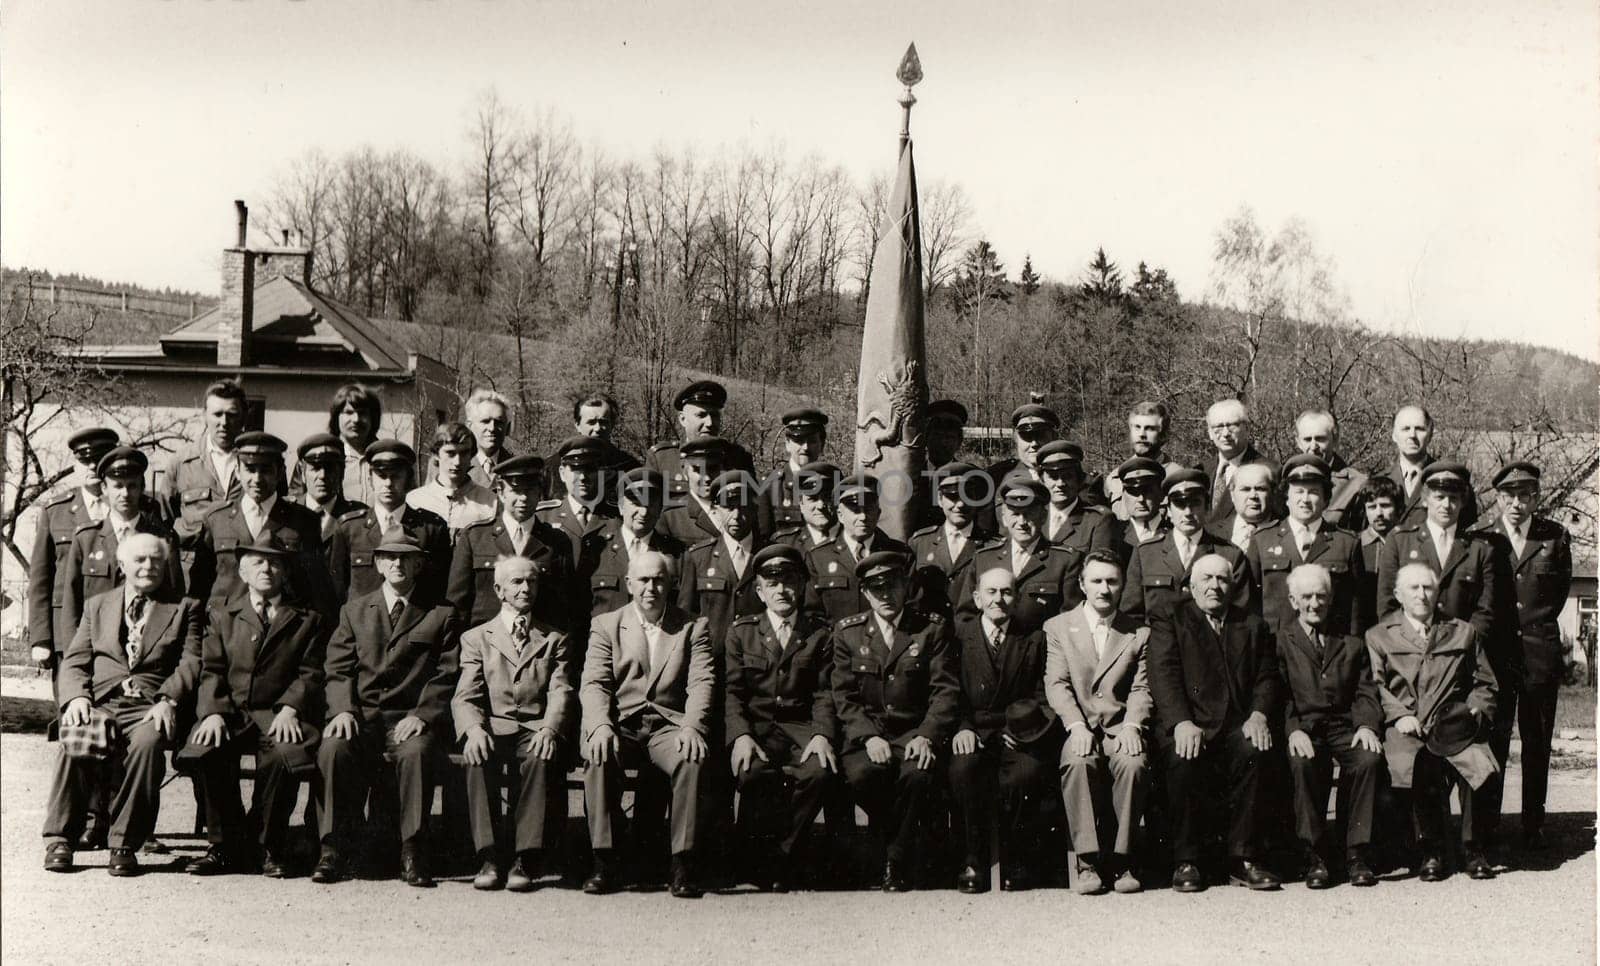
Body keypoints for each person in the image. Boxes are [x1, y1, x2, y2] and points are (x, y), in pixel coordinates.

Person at [42, 533, 203, 876]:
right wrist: (77, 697)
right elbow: (74, 661)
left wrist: (168, 699)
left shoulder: (184, 608)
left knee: (147, 744)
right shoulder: (98, 605)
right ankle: (60, 840)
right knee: (76, 738)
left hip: (149, 705)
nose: (148, 567)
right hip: (101, 700)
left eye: (156, 561)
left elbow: (191, 662)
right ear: (123, 565)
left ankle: (124, 843)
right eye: (141, 560)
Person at [315, 528, 460, 887]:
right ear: (378, 563)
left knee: (417, 753)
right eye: (390, 557)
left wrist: (422, 716)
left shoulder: (440, 614)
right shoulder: (354, 610)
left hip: (408, 719)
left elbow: (446, 674)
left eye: (407, 557)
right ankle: (332, 849)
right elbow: (337, 668)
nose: (398, 563)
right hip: (361, 717)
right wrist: (343, 710)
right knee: (333, 748)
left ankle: (413, 850)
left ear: (420, 564)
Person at [181, 532, 325, 878]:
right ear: (242, 572)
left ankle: (268, 845)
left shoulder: (307, 619)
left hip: (277, 713)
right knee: (207, 750)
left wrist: (291, 707)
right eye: (258, 562)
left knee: (282, 756)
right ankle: (224, 845)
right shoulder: (222, 615)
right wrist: (213, 712)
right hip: (231, 712)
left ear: (286, 572)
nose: (267, 569)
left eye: (275, 562)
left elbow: (311, 672)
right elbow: (211, 669)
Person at [580, 551, 715, 899]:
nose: (650, 588)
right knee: (597, 755)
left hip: (668, 726)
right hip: (621, 724)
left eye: (658, 579)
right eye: (643, 580)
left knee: (691, 758)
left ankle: (682, 863)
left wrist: (692, 728)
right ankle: (604, 860)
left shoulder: (692, 626)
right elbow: (595, 683)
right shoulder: (606, 625)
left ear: (670, 584)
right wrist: (599, 726)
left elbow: (702, 683)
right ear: (629, 584)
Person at [1147, 553, 1282, 892]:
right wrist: (1180, 722)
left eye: (1222, 579)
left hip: (1237, 724)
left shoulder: (1251, 624)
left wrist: (1258, 714)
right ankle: (1187, 860)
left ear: (1233, 584)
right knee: (1182, 757)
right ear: (1191, 585)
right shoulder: (1170, 617)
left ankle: (1244, 858)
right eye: (1206, 579)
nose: (1214, 586)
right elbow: (1163, 673)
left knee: (1257, 748)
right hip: (1190, 721)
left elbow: (1267, 676)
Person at [831, 551, 959, 892]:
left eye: (892, 585)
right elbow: (844, 697)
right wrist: (868, 737)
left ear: (906, 586)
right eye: (877, 588)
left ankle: (893, 860)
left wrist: (927, 736)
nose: (886, 595)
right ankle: (898, 850)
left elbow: (944, 692)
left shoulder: (930, 629)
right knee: (863, 776)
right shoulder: (848, 634)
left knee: (917, 776)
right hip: (868, 736)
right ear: (866, 592)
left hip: (912, 734)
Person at [1366, 563, 1499, 881]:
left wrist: (1474, 710)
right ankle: (1431, 851)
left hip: (1451, 724)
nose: (1421, 595)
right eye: (1413, 588)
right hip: (1406, 726)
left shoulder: (1463, 631)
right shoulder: (1379, 635)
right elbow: (1375, 685)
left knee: (1479, 763)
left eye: (1427, 587)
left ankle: (1474, 849)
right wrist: (1399, 716)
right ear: (1398, 594)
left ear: (1437, 592)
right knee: (1410, 766)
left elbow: (1485, 683)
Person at [452, 556, 576, 892]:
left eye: (532, 582)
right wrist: (474, 729)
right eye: (517, 582)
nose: (525, 589)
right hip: (494, 726)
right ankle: (490, 856)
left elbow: (560, 689)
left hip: (534, 727)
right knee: (476, 756)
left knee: (539, 757)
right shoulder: (477, 638)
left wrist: (550, 728)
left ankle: (526, 856)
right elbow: (466, 694)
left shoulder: (553, 638)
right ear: (499, 589)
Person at [723, 544, 838, 891]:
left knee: (819, 772)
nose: (781, 590)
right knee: (752, 772)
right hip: (757, 728)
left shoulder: (819, 632)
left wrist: (821, 735)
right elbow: (732, 692)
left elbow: (824, 692)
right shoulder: (742, 632)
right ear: (759, 590)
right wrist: (741, 736)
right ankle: (756, 858)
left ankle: (783, 857)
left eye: (788, 581)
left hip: (800, 728)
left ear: (801, 585)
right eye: (771, 583)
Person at [1471, 461, 1572, 848]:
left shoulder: (1554, 538)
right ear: (1498, 498)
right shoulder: (1481, 537)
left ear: (1535, 498)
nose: (1516, 503)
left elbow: (1557, 595)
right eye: (1508, 496)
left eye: (1524, 495)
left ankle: (1533, 824)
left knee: (1536, 740)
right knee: (1494, 738)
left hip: (1537, 655)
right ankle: (1489, 825)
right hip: (1497, 656)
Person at [1043, 550, 1151, 895]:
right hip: (1082, 726)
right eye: (1097, 581)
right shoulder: (1059, 627)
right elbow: (1056, 683)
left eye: (1112, 581)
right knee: (1077, 763)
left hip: (1121, 725)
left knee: (1133, 764)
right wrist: (1075, 726)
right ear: (1082, 585)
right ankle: (1087, 861)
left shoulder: (1138, 633)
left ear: (1122, 586)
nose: (1104, 589)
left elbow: (1141, 686)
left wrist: (1134, 725)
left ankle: (1123, 861)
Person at [947, 567, 1054, 893]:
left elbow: (1040, 693)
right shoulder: (957, 637)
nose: (999, 600)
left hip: (1014, 734)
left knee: (1027, 774)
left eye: (1007, 592)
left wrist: (1021, 729)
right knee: (964, 771)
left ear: (1017, 598)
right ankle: (972, 860)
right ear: (977, 598)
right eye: (991, 592)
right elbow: (947, 690)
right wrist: (962, 727)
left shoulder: (1033, 638)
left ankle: (1015, 858)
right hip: (973, 731)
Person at [1276, 564, 1383, 889]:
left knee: (1368, 759)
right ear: (1293, 601)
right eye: (1306, 597)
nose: (1313, 604)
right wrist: (1293, 729)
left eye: (1320, 596)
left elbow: (1366, 690)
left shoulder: (1350, 642)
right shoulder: (1280, 641)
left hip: (1343, 726)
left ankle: (1355, 853)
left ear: (1330, 598)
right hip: (1304, 726)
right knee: (1303, 763)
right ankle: (1315, 855)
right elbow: (1278, 693)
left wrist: (1366, 726)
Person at [188, 432, 332, 622]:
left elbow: (318, 589)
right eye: (250, 469)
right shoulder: (217, 519)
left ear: (280, 472)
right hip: (225, 631)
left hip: (281, 631)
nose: (257, 478)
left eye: (265, 470)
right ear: (237, 471)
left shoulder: (303, 521)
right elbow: (199, 589)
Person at [59, 447, 185, 645]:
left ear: (142, 487)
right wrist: (72, 656)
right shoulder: (86, 539)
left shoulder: (164, 539)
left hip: (148, 652)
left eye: (132, 486)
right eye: (117, 486)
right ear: (104, 489)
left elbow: (175, 601)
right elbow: (71, 604)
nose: (125, 493)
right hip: (97, 650)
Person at [29, 427, 125, 674]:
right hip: (68, 631)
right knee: (70, 707)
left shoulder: (136, 506)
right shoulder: (55, 511)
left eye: (99, 458)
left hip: (122, 629)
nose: (92, 466)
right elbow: (40, 578)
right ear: (76, 464)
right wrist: (41, 638)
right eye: (85, 460)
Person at [447, 455, 572, 635]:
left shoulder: (556, 541)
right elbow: (457, 606)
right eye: (515, 490)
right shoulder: (475, 537)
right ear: (501, 492)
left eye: (530, 490)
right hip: (486, 649)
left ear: (539, 493)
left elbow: (566, 606)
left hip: (540, 650)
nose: (523, 498)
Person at [1247, 455, 1368, 636]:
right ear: (1286, 497)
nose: (1305, 499)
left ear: (1326, 499)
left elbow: (1357, 610)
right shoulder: (1262, 540)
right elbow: (1249, 606)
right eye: (1298, 491)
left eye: (1313, 492)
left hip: (1330, 648)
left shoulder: (1346, 543)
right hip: (1275, 648)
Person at [954, 476, 1083, 634]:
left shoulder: (1065, 560)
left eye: (1029, 514)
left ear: (1043, 516)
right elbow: (966, 616)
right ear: (1004, 517)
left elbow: (1071, 620)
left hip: (1042, 654)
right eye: (1015, 514)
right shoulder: (984, 558)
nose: (1022, 522)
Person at [327, 440, 451, 605]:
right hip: (363, 626)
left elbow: (440, 587)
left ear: (408, 479)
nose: (388, 483)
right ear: (370, 479)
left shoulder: (431, 529)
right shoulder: (350, 528)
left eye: (396, 476)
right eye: (381, 476)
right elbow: (337, 590)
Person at [1121, 468, 1250, 620]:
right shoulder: (1146, 553)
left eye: (1195, 503)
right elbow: (1131, 615)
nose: (1188, 512)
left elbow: (1241, 618)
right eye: (1180, 504)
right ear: (1168, 510)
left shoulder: (1229, 554)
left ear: (1206, 508)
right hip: (1159, 642)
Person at [160, 379, 247, 577]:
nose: (224, 423)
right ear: (204, 416)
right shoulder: (181, 462)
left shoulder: (257, 464)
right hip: (191, 573)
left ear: (243, 418)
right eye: (217, 414)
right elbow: (164, 523)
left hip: (241, 575)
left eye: (232, 415)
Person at [804, 473, 912, 624]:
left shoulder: (900, 554)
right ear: (840, 515)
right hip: (837, 645)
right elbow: (813, 615)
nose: (862, 516)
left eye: (868, 509)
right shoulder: (818, 557)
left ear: (878, 513)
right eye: (855, 510)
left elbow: (912, 607)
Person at [678, 469, 766, 647]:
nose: (736, 515)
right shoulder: (698, 557)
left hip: (759, 662)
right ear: (715, 509)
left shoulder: (769, 555)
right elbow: (685, 617)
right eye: (728, 506)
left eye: (743, 506)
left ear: (755, 509)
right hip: (713, 662)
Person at [586, 468, 687, 619]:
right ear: (620, 506)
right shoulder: (596, 550)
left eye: (651, 504)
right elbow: (580, 607)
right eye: (636, 503)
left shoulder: (677, 554)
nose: (644, 512)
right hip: (609, 641)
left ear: (660, 509)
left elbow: (685, 608)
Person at [643, 380, 757, 501]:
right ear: (682, 419)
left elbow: (752, 509)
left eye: (714, 415)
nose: (710, 423)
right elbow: (650, 511)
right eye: (701, 415)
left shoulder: (738, 459)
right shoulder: (662, 459)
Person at [908, 461, 994, 619]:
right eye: (952, 496)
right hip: (930, 637)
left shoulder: (993, 546)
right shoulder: (920, 543)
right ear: (940, 499)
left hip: (972, 636)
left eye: (968, 495)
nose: (960, 504)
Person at [1371, 405, 1479, 531]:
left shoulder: (1452, 481)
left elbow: (1466, 530)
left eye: (1419, 429)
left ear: (1430, 435)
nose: (1412, 435)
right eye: (1405, 429)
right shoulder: (1378, 481)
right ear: (1394, 435)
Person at [290, 383, 383, 507]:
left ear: (373, 418)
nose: (356, 419)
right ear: (336, 417)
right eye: (349, 412)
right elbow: (296, 504)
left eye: (363, 413)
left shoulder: (385, 457)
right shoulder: (316, 457)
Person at [538, 435, 619, 578]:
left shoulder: (618, 518)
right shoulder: (543, 518)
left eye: (589, 469)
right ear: (562, 473)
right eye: (576, 469)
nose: (582, 477)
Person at [406, 422, 497, 536]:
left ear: (471, 456)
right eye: (450, 453)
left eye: (464, 453)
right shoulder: (415, 501)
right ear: (436, 454)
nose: (457, 462)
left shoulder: (491, 503)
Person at [1202, 398, 1275, 526]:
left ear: (1246, 428)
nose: (1225, 433)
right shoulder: (1201, 471)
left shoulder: (1269, 470)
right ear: (1210, 433)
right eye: (1218, 427)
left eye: (1232, 425)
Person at [757, 407, 828, 536]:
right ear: (787, 444)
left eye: (812, 441)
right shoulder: (768, 486)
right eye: (799, 441)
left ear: (822, 445)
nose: (805, 448)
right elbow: (764, 536)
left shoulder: (833, 483)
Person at [1293, 409, 1368, 528]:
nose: (1313, 447)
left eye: (1320, 439)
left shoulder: (1357, 484)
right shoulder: (1287, 482)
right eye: (1307, 439)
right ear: (1298, 442)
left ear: (1335, 439)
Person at [1037, 441, 1115, 554]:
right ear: (1043, 481)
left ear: (1079, 480)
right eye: (1053, 477)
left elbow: (1099, 568)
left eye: (1067, 476)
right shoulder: (1033, 516)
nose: (1060, 483)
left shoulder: (1098, 521)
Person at [1100, 401, 1175, 514]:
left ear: (1163, 435)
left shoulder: (1175, 478)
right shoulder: (1115, 478)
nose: (1142, 434)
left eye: (1149, 428)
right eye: (1137, 427)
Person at [292, 433, 367, 539]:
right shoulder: (286, 514)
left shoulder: (358, 518)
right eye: (316, 468)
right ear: (302, 473)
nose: (322, 476)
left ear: (341, 473)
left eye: (330, 468)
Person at [1354, 476, 1403, 630]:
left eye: (1385, 505)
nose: (1379, 513)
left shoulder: (1406, 543)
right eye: (1372, 507)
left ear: (1398, 508)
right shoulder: (1355, 545)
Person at [1108, 456, 1167, 567]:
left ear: (1161, 494)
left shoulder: (1175, 534)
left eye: (1148, 491)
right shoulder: (1112, 535)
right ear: (1124, 495)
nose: (1140, 499)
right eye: (1133, 492)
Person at [772, 460, 842, 553]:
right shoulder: (785, 544)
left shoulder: (854, 539)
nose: (820, 506)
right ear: (801, 503)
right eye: (813, 499)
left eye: (827, 498)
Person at [1213, 463, 1277, 554]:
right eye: (1245, 489)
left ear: (1273, 492)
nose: (1253, 496)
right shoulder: (1211, 534)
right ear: (1232, 495)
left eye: (1260, 489)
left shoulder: (1290, 534)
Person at [462, 388, 517, 488]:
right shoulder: (453, 467)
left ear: (507, 427)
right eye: (485, 421)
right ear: (469, 426)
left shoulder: (518, 467)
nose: (492, 428)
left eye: (499, 422)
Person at [924, 399, 970, 470]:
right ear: (926, 438)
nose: (943, 442)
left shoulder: (967, 476)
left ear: (959, 442)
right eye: (937, 435)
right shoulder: (910, 474)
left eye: (949, 437)